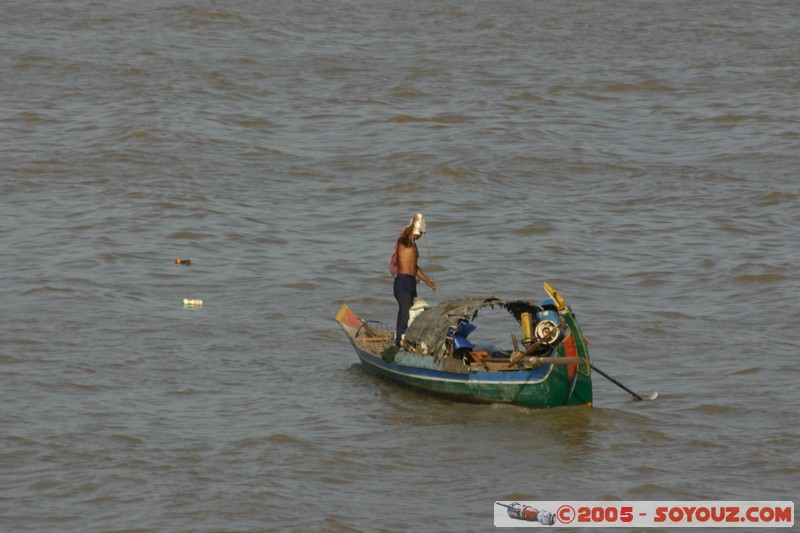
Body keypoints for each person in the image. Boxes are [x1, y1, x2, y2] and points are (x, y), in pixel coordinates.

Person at [393, 213, 436, 347]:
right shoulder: (404, 241)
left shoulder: (414, 247)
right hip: (402, 281)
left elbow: (415, 268)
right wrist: (412, 224)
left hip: (411, 282)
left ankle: (409, 340)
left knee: (413, 312)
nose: (420, 236)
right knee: (405, 311)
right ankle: (399, 342)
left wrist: (428, 282)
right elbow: (405, 234)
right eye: (419, 233)